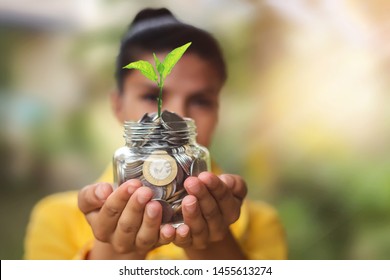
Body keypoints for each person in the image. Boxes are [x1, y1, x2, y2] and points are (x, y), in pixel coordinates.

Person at [24, 7, 287, 260]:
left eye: (201, 101)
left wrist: (214, 248)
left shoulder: (261, 223)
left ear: (218, 111)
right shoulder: (57, 217)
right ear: (117, 106)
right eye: (153, 96)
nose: (175, 118)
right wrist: (113, 254)